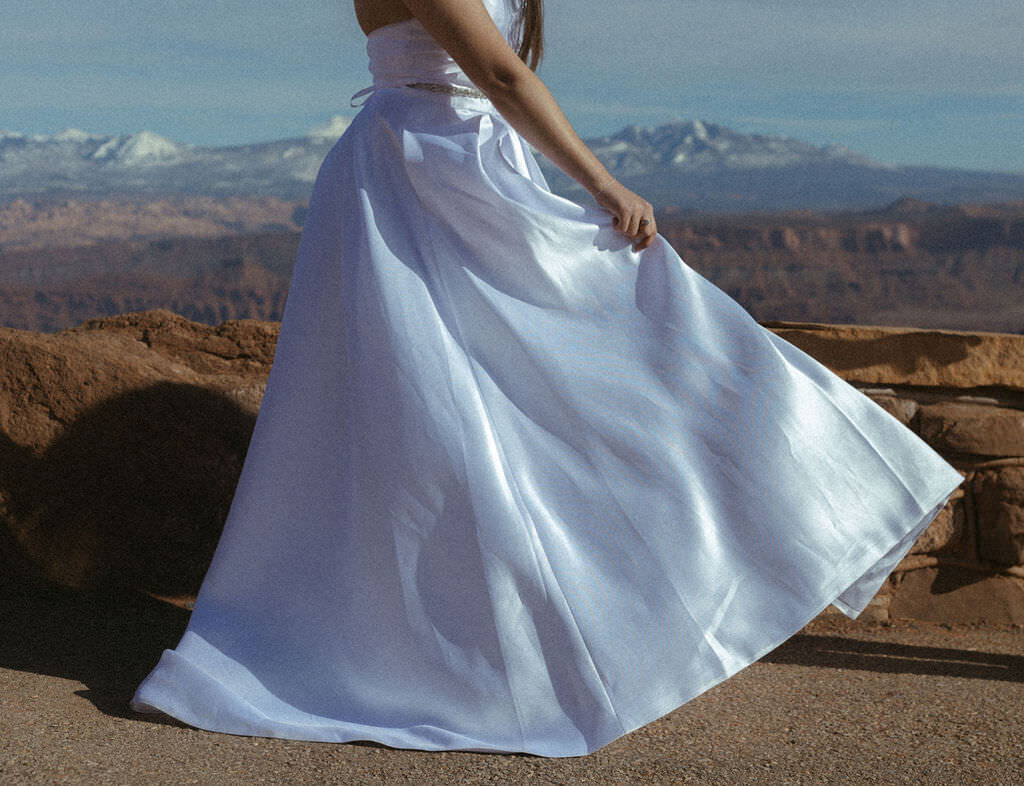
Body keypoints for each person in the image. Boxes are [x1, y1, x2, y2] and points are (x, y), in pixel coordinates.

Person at [131, 0, 963, 757]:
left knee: (485, 397)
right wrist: (601, 182)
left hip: (441, 167)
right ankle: (461, 658)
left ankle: (511, 635)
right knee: (437, 408)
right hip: (433, 170)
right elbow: (499, 73)